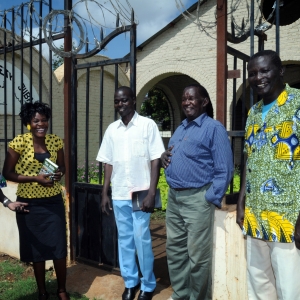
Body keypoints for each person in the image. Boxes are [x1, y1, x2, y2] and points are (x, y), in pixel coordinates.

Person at [236, 50, 300, 300]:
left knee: (290, 286)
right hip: (255, 214)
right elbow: (248, 159)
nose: (258, 77)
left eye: (264, 71)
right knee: (258, 282)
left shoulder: (297, 103)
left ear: (281, 71)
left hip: (288, 215)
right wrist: (241, 201)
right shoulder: (253, 113)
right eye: (252, 73)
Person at [161, 84, 233, 300]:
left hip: (197, 199)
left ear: (204, 101)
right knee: (175, 251)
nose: (186, 102)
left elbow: (225, 168)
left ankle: (197, 297)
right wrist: (166, 157)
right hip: (175, 199)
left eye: (192, 98)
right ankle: (180, 293)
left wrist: (209, 197)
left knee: (198, 256)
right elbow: (176, 154)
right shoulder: (182, 127)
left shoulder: (213, 128)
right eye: (184, 99)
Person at [96, 86, 165, 300]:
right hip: (119, 194)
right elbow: (108, 162)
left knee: (142, 238)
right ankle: (130, 282)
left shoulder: (147, 125)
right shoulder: (112, 130)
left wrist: (152, 192)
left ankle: (148, 284)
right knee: (124, 239)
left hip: (141, 193)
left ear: (133, 101)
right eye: (117, 101)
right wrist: (105, 192)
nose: (120, 105)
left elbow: (156, 159)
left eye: (124, 100)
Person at [2, 101, 69, 300]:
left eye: (44, 120)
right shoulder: (18, 143)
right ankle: (42, 291)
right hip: (29, 204)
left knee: (58, 247)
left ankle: (61, 289)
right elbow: (7, 173)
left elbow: (62, 167)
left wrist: (58, 174)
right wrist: (35, 178)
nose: (41, 124)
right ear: (28, 123)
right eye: (36, 120)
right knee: (36, 249)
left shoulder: (56, 142)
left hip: (53, 202)